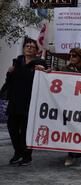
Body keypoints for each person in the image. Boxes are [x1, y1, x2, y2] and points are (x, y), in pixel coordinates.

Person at [5, 37, 47, 166]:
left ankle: (27, 156)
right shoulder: (17, 61)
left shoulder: (40, 63)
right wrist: (9, 73)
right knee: (12, 127)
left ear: (36, 51)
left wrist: (43, 72)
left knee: (26, 130)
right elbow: (10, 82)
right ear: (23, 49)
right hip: (15, 100)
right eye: (27, 46)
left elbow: (46, 79)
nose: (29, 48)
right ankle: (18, 152)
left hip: (30, 102)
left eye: (32, 47)